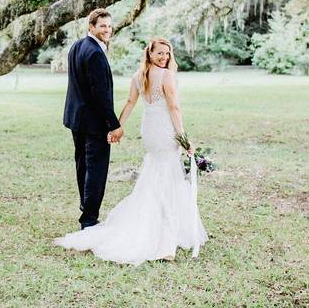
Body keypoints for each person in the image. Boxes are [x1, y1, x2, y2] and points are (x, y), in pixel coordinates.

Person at [55, 37, 207, 265]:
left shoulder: (138, 76)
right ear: (150, 54)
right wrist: (183, 138)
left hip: (150, 131)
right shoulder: (166, 76)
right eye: (160, 53)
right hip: (165, 131)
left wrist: (116, 126)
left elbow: (129, 103)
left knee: (157, 173)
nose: (164, 57)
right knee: (167, 176)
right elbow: (174, 107)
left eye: (167, 53)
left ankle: (164, 227)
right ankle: (165, 239)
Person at [61, 8, 123, 231]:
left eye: (109, 25)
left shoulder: (78, 46)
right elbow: (100, 94)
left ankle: (85, 207)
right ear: (91, 27)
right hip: (93, 123)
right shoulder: (95, 52)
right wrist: (114, 125)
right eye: (102, 26)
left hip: (76, 119)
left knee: (83, 166)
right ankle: (89, 219)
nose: (107, 30)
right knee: (96, 169)